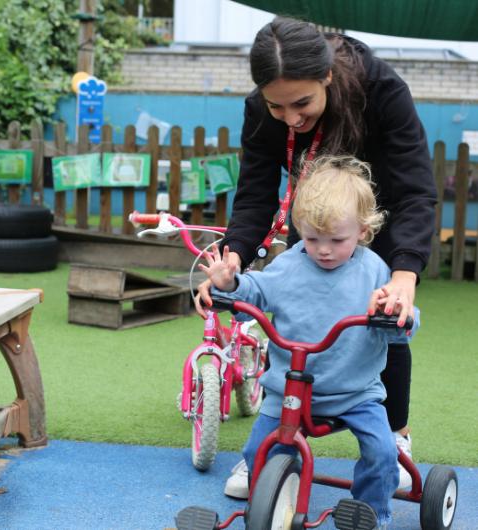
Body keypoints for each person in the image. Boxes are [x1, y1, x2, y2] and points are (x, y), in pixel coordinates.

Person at [196, 16, 437, 497]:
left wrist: (405, 273)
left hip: (374, 214)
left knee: (383, 317)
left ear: (327, 77)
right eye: (276, 105)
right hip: (319, 215)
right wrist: (234, 259)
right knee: (299, 311)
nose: (289, 117)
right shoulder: (263, 110)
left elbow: (415, 192)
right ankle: (280, 443)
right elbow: (256, 194)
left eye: (301, 103)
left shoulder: (382, 90)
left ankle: (394, 435)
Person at [197, 156, 419, 530]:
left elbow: (402, 324)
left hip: (356, 393)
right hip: (288, 390)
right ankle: (272, 498)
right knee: (257, 451)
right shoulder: (288, 266)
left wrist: (396, 313)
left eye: (337, 239)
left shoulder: (376, 271)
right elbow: (257, 292)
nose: (324, 249)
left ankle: (369, 513)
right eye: (313, 238)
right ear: (300, 228)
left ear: (363, 231)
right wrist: (230, 285)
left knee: (383, 454)